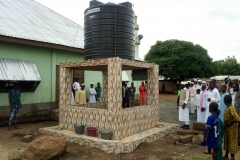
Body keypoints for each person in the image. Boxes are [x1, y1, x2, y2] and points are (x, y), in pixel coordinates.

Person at [223, 95, 240, 160]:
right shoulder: (228, 108)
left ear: (225, 101)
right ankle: (226, 155)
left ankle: (232, 157)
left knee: (232, 142)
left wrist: (230, 123)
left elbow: (236, 118)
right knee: (227, 141)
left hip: (232, 128)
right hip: (228, 128)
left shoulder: (231, 108)